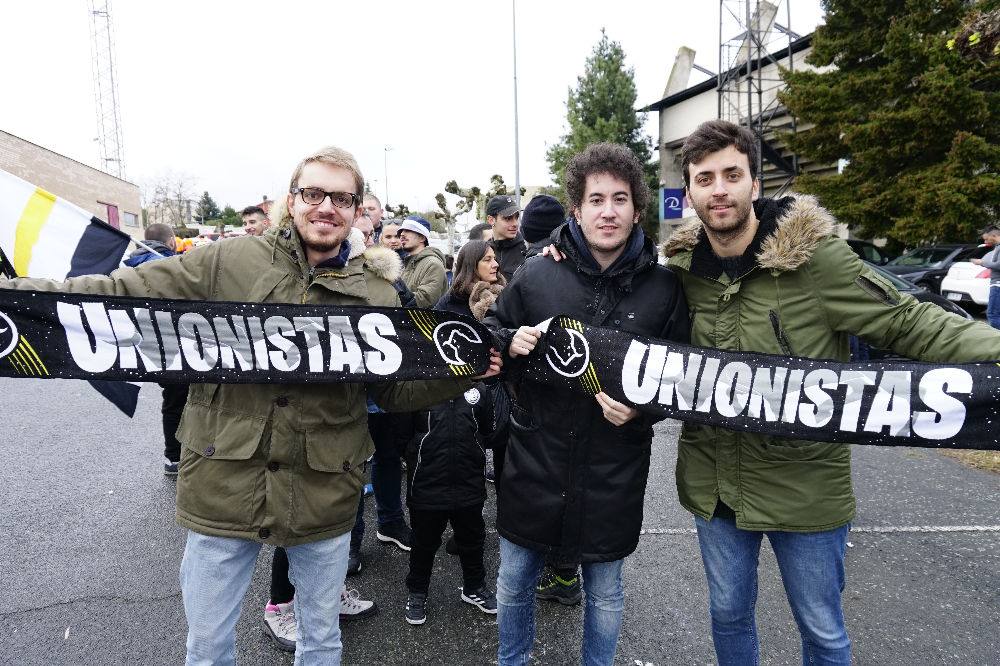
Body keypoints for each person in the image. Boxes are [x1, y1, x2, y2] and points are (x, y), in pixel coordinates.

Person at [0, 145, 499, 664]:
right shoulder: (226, 261)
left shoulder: (377, 292)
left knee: (321, 641)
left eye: (342, 198)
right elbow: (115, 295)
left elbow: (394, 390)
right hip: (223, 482)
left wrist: (460, 372)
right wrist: (14, 297)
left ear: (356, 211)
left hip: (323, 489)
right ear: (292, 199)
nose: (326, 207)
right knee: (209, 646)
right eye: (313, 194)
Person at [661, 119, 1000, 665]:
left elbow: (914, 321)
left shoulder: (819, 262)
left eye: (731, 174)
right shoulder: (680, 273)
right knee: (727, 617)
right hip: (714, 486)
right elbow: (626, 323)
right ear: (690, 192)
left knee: (821, 631)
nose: (718, 189)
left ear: (754, 184)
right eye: (705, 179)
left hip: (808, 488)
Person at [486, 142, 690, 665]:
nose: (607, 210)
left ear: (636, 209)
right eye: (595, 198)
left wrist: (645, 410)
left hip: (613, 468)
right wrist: (510, 341)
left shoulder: (664, 288)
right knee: (512, 584)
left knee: (605, 593)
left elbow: (681, 378)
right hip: (535, 459)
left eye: (619, 198)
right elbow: (489, 330)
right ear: (576, 209)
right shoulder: (537, 273)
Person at [403, 240, 507, 625]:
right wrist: (411, 449)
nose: (494, 263)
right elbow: (403, 425)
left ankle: (474, 586)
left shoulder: (479, 389)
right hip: (426, 477)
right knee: (424, 540)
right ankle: (417, 591)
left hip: (467, 476)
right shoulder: (422, 387)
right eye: (487, 258)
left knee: (472, 535)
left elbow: (490, 426)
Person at [123, 223, 187, 476]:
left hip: (150, 342)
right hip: (178, 341)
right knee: (187, 400)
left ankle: (173, 456)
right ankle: (181, 456)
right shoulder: (170, 264)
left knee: (172, 401)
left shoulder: (131, 265)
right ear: (171, 241)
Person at [398, 219, 448, 308]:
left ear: (422, 238)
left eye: (408, 230)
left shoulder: (433, 264)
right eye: (401, 231)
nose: (402, 234)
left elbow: (425, 301)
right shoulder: (406, 264)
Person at [486, 195, 527, 282]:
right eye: (508, 218)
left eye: (516, 217)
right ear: (491, 220)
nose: (515, 223)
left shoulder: (528, 249)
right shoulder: (484, 251)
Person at [971, 226, 1000, 330]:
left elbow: (998, 265)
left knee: (992, 314)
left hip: (997, 285)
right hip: (996, 284)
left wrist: (982, 262)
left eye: (987, 239)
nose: (985, 241)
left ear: (994, 236)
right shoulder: (996, 247)